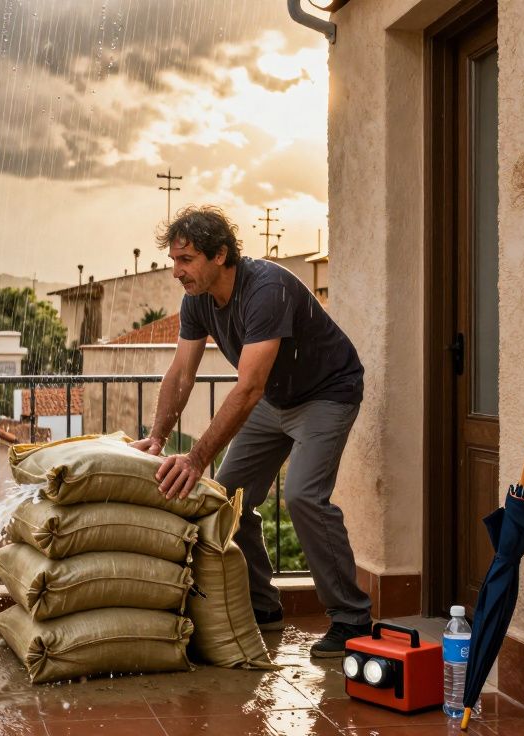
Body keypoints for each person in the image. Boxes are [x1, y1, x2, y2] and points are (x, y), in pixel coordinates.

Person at [130, 206, 372, 658]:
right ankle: (263, 604)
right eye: (174, 260)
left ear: (220, 254)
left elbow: (249, 385)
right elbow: (182, 373)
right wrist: (159, 438)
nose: (176, 272)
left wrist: (197, 456)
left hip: (326, 393)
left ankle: (351, 618)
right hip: (275, 399)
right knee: (228, 498)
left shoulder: (267, 289)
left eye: (186, 260)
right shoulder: (197, 300)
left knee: (302, 495)